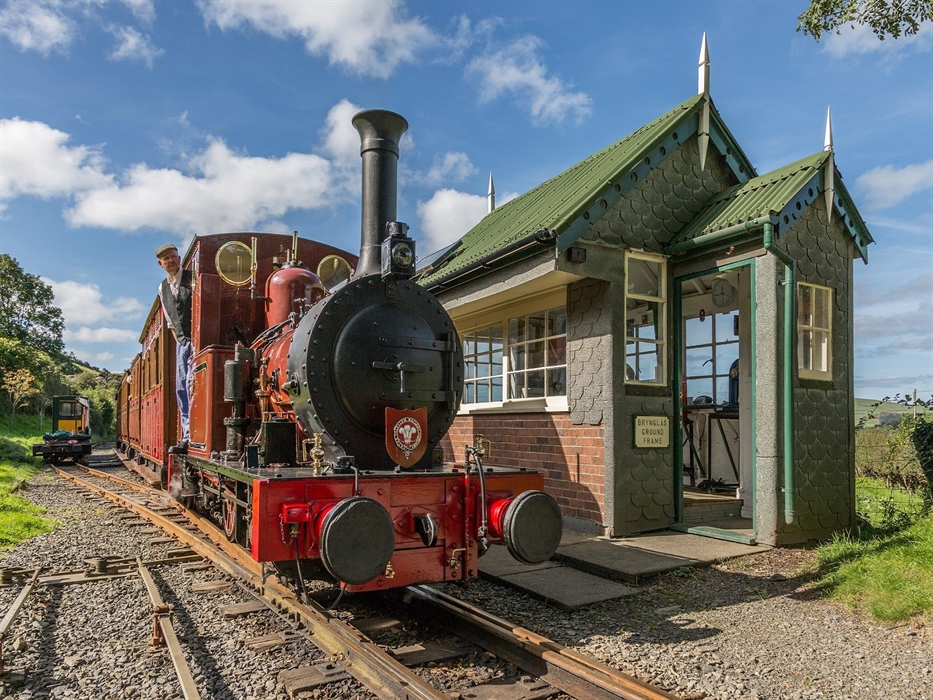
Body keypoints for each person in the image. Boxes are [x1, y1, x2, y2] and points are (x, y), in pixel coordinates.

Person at [155, 244, 193, 453]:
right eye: (165, 259)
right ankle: (187, 435)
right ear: (160, 264)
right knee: (181, 389)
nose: (170, 261)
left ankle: (193, 435)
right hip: (182, 342)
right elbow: (170, 321)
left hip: (198, 339)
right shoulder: (162, 288)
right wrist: (180, 341)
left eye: (172, 257)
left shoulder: (193, 277)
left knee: (192, 385)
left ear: (179, 258)